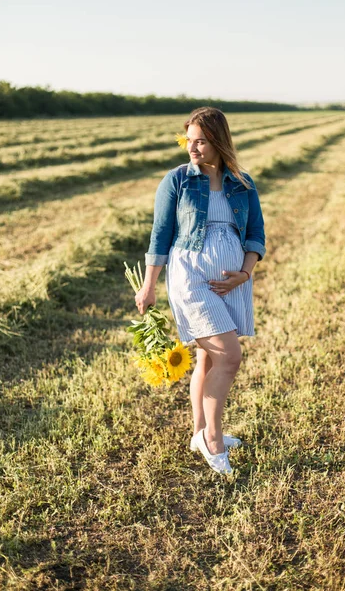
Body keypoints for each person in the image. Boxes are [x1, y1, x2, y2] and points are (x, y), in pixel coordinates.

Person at [135, 107, 266, 475]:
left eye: (201, 141)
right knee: (230, 357)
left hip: (232, 280)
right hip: (191, 278)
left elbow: (256, 233)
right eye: (189, 140)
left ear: (219, 142)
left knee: (209, 358)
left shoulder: (242, 182)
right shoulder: (177, 180)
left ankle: (198, 432)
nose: (192, 148)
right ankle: (213, 438)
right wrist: (148, 285)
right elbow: (160, 235)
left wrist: (244, 272)